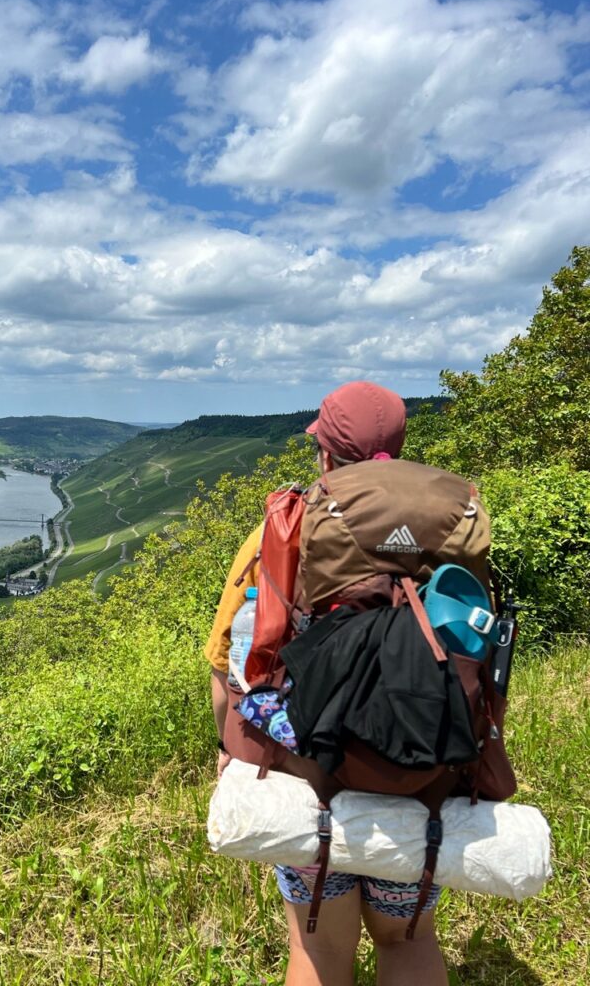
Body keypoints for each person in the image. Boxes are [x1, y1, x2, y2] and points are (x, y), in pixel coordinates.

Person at [204, 381, 449, 986]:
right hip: (418, 777)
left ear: (324, 454)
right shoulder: (443, 533)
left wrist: (227, 750)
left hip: (309, 785)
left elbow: (227, 669)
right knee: (409, 943)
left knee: (317, 950)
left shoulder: (278, 536)